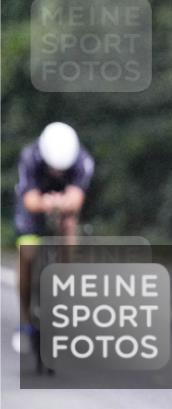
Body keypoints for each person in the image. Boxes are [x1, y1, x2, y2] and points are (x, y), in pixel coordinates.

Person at [12, 122, 94, 353]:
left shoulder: (83, 161)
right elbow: (29, 200)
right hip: (33, 205)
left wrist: (62, 204)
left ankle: (65, 279)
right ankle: (25, 321)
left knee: (69, 224)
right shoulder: (30, 157)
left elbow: (76, 200)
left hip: (63, 202)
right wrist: (47, 202)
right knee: (27, 253)